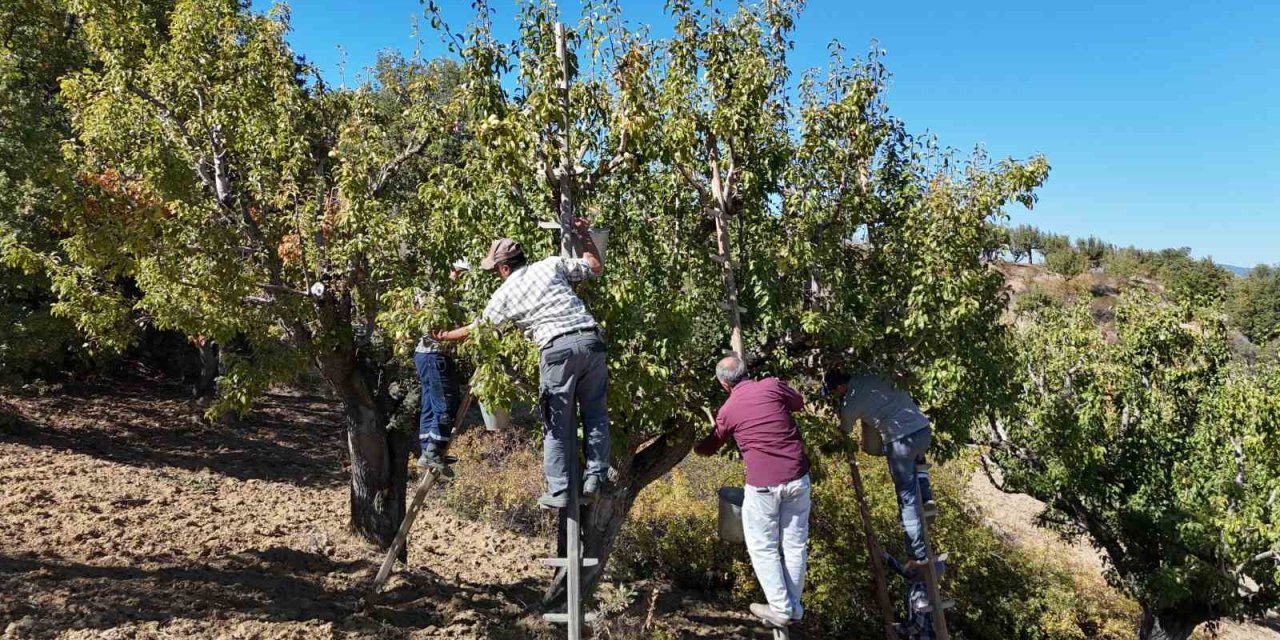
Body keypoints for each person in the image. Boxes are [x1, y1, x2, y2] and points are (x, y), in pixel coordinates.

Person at [433, 219, 608, 509]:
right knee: (596, 415)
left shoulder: (505, 294)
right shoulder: (551, 265)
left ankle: (560, 490)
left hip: (556, 350)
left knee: (556, 424)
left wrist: (444, 335)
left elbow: (479, 330)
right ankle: (595, 478)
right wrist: (583, 234)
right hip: (591, 341)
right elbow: (593, 265)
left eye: (496, 271)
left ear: (504, 268)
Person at [695, 356, 810, 629]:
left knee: (763, 546)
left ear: (724, 384)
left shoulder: (728, 409)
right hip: (798, 477)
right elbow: (799, 402)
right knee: (795, 544)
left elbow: (711, 446)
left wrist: (696, 447)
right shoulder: (772, 386)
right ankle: (793, 606)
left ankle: (780, 608)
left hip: (764, 485)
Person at [823, 370, 937, 611]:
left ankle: (917, 554)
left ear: (840, 388)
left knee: (906, 498)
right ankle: (927, 495)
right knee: (917, 463)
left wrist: (846, 417)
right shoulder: (874, 375)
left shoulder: (851, 400)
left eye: (834, 393)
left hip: (900, 441)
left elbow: (844, 429)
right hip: (922, 430)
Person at [413, 260, 470, 472]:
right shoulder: (439, 296)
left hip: (426, 355)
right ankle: (433, 450)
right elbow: (437, 331)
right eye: (462, 274)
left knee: (430, 403)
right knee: (445, 405)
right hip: (434, 354)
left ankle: (430, 448)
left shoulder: (435, 292)